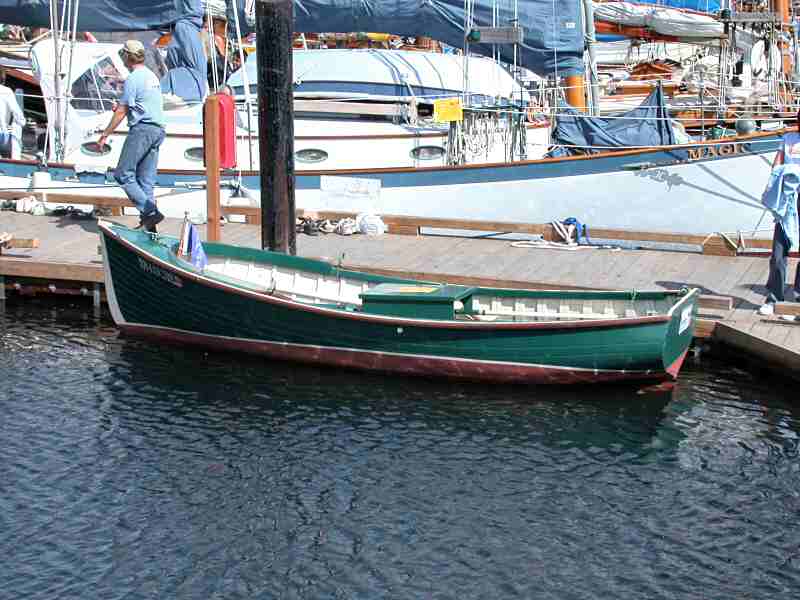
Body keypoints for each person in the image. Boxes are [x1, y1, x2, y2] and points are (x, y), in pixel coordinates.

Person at [98, 40, 166, 233]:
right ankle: (150, 228)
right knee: (146, 180)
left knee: (123, 174)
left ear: (127, 56)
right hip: (158, 130)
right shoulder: (151, 76)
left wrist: (104, 135)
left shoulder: (133, 78)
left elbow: (121, 111)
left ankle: (150, 211)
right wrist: (126, 110)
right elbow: (142, 105)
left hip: (143, 130)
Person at [758, 111, 800, 315]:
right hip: (787, 200)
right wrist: (771, 186)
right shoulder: (788, 139)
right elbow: (777, 164)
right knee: (778, 252)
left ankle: (798, 295)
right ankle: (774, 297)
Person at [0, 67, 24, 159]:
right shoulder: (7, 91)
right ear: (3, 79)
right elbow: (17, 113)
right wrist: (23, 122)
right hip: (2, 136)